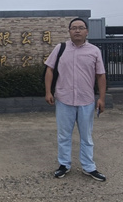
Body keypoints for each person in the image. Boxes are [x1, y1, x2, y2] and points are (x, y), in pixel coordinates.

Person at [44, 18, 107, 182]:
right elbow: (49, 70)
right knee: (64, 135)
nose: (77, 30)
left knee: (86, 136)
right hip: (64, 99)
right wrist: (48, 91)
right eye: (74, 28)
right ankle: (64, 164)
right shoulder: (60, 48)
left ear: (87, 31)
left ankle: (89, 166)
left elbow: (100, 75)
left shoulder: (94, 51)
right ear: (69, 31)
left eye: (81, 28)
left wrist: (101, 98)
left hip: (86, 100)